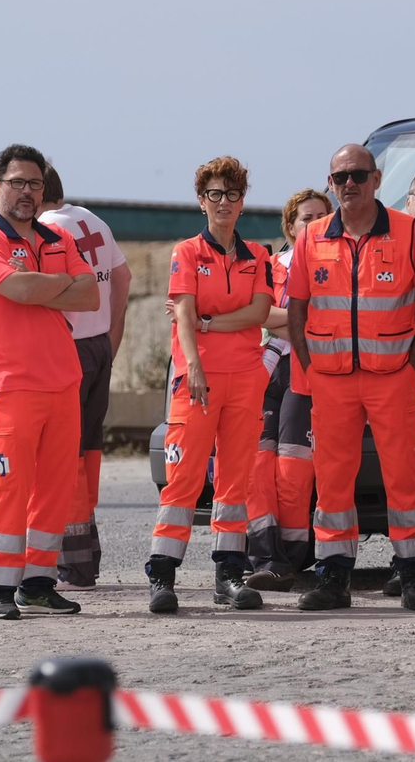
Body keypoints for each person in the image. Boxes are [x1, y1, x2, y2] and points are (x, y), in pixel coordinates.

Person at [287, 144, 415, 611]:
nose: (348, 184)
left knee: (406, 477)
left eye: (357, 175)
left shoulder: (410, 232)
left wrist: (412, 362)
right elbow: (296, 307)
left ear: (376, 179)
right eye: (339, 177)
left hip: (393, 376)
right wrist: (311, 365)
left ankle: (413, 574)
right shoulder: (311, 237)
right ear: (330, 185)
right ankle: (333, 578)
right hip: (330, 380)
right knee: (332, 482)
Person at [0, 144, 98, 621]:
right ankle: (1, 583)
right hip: (9, 385)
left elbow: (91, 294)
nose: (26, 192)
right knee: (10, 488)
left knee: (55, 490)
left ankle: (38, 583)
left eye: (35, 184)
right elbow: (14, 290)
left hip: (62, 382)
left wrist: (35, 282)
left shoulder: (57, 238)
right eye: (17, 183)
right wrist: (49, 286)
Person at [147, 156, 274, 614]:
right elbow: (182, 315)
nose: (224, 202)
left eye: (232, 194)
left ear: (242, 201)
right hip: (196, 379)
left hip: (245, 377)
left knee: (235, 482)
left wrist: (208, 322)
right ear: (202, 202)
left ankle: (228, 577)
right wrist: (194, 363)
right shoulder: (186, 252)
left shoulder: (258, 255)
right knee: (181, 483)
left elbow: (259, 313)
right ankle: (162, 577)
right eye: (215, 195)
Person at [37, 166, 132, 591]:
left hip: (65, 351)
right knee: (86, 451)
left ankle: (67, 562)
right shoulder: (94, 221)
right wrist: (112, 336)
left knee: (58, 454)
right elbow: (123, 278)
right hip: (98, 347)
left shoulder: (44, 232)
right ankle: (83, 555)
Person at [245, 188, 332, 592]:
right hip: (262, 370)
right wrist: (296, 318)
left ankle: (292, 559)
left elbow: (323, 318)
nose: (312, 224)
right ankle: (264, 555)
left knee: (294, 469)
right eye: (305, 218)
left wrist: (280, 319)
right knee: (256, 466)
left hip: (306, 371)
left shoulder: (334, 263)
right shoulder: (268, 264)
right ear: (289, 226)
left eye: (320, 217)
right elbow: (259, 312)